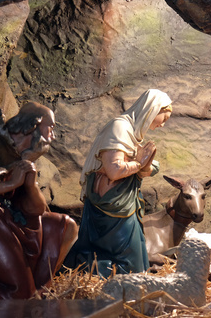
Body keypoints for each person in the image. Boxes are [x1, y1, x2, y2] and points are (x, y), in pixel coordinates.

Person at [0, 102, 78, 299]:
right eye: (50, 128)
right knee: (19, 291)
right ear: (34, 125)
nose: (52, 135)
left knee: (64, 226)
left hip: (11, 217)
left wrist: (30, 183)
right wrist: (12, 182)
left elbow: (37, 210)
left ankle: (41, 292)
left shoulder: (23, 155)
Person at [64, 89, 172, 277]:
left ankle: (126, 287)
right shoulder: (119, 127)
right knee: (126, 257)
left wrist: (146, 166)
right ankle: (103, 281)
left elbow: (133, 168)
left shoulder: (132, 132)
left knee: (132, 255)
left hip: (122, 204)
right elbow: (114, 171)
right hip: (112, 206)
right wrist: (140, 163)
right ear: (153, 109)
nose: (163, 124)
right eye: (164, 118)